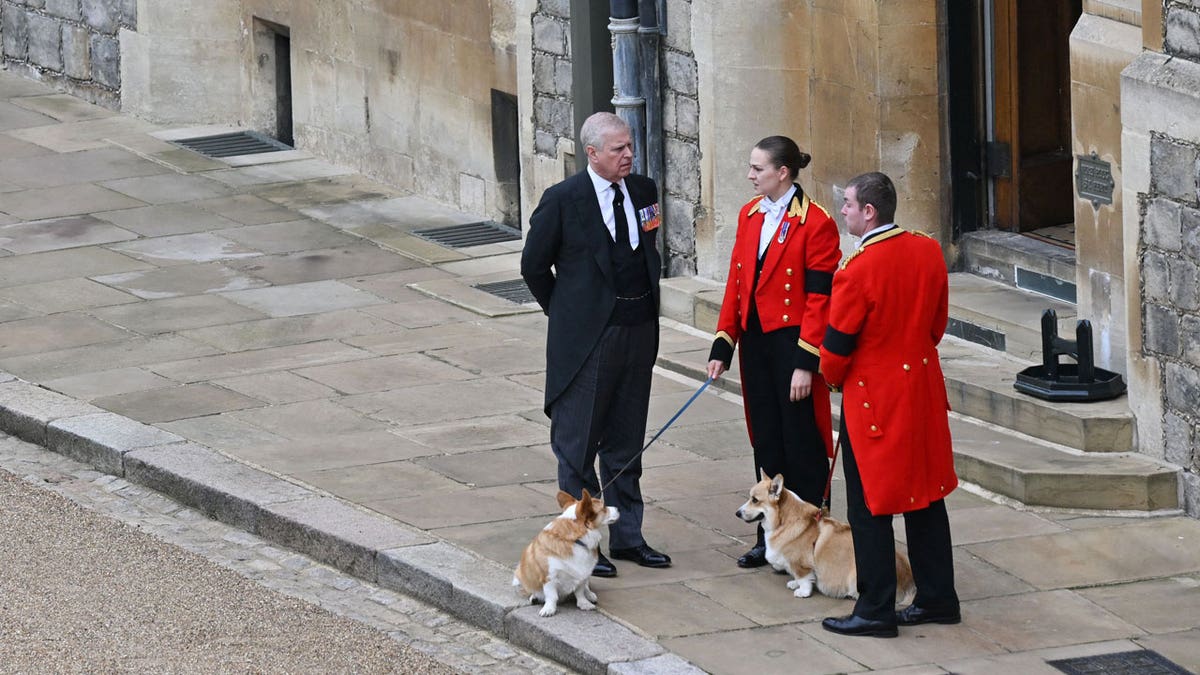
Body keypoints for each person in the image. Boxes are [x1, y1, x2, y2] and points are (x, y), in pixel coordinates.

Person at [520, 111, 671, 578]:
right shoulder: (563, 200)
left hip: (637, 332)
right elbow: (533, 267)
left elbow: (648, 251)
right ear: (591, 153)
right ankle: (584, 544)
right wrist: (569, 316)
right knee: (578, 445)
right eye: (617, 149)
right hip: (587, 342)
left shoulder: (643, 192)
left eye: (629, 147)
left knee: (626, 443)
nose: (628, 155)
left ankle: (628, 537)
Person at [819, 171, 961, 638]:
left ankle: (875, 608)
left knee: (869, 508)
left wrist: (835, 378)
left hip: (875, 402)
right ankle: (938, 597)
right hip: (920, 392)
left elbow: (835, 355)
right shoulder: (927, 249)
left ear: (870, 212)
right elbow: (936, 325)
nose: (842, 210)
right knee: (926, 498)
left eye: (848, 204)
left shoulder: (856, 270)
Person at [706, 136, 840, 569]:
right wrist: (723, 342)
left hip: (793, 344)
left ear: (782, 172)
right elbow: (737, 284)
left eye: (758, 169)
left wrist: (806, 363)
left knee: (800, 442)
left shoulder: (816, 222)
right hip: (758, 344)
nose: (750, 175)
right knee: (765, 439)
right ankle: (771, 537)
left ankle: (814, 536)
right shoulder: (749, 215)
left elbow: (821, 298)